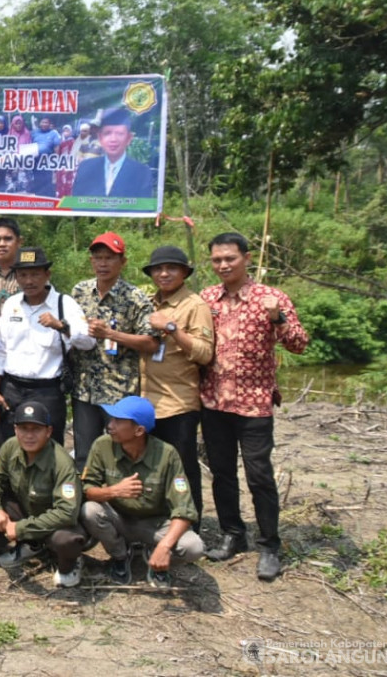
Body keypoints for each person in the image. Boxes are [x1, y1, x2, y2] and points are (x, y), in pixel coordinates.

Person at [200, 232, 308, 581]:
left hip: (255, 403)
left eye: (229, 258)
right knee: (221, 472)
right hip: (213, 401)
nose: (223, 265)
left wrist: (278, 319)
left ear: (247, 258)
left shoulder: (271, 298)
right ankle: (233, 534)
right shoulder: (207, 299)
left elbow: (299, 344)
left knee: (259, 474)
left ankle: (269, 545)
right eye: (217, 260)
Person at [80, 396, 204, 587]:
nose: (110, 425)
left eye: (118, 421)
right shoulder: (102, 445)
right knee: (89, 510)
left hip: (154, 525)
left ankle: (154, 555)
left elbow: (184, 509)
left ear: (139, 430)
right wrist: (114, 491)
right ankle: (121, 556)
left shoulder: (167, 454)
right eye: (111, 419)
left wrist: (164, 546)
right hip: (118, 519)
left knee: (193, 547)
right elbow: (87, 490)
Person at [0, 247, 94, 447]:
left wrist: (61, 326)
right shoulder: (11, 304)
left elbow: (88, 341)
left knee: (49, 448)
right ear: (16, 277)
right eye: (23, 275)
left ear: (47, 274)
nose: (29, 281)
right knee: (9, 447)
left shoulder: (64, 304)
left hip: (48, 391)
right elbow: (0, 351)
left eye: (35, 274)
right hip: (12, 389)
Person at [69, 232, 159, 473]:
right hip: (84, 389)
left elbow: (151, 343)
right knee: (84, 454)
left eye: (109, 258)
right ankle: (86, 504)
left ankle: (123, 503)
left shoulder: (135, 298)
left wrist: (111, 334)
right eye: (97, 258)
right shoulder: (80, 292)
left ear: (123, 262)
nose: (102, 263)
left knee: (121, 452)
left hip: (119, 390)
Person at [141, 245, 214, 519]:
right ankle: (160, 521)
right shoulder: (148, 302)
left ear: (184, 272)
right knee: (153, 467)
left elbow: (205, 353)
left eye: (171, 268)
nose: (163, 273)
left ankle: (190, 522)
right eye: (158, 269)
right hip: (147, 402)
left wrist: (172, 328)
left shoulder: (194, 306)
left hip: (178, 403)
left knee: (182, 468)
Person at [0, 402, 86, 588]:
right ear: (15, 429)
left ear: (48, 431)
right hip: (26, 510)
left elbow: (66, 512)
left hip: (54, 523)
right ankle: (30, 546)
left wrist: (20, 528)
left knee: (67, 541)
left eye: (36, 429)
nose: (29, 435)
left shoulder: (61, 462)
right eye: (23, 428)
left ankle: (70, 564)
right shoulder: (10, 447)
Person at [70, 108, 154, 198]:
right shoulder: (85, 168)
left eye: (119, 133)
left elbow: (144, 207)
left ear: (129, 138)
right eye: (107, 133)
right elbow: (77, 203)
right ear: (100, 138)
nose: (113, 139)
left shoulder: (142, 172)